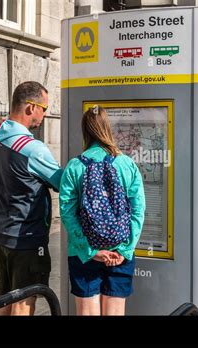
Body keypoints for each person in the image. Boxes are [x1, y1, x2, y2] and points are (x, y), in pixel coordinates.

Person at [59, 106, 146, 316]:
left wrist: (91, 251)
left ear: (85, 131)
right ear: (108, 129)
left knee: (87, 312)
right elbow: (138, 210)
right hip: (120, 252)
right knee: (115, 312)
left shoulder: (74, 167)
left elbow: (67, 213)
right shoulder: (127, 164)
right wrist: (124, 250)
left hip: (84, 254)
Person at [0, 81, 63, 316]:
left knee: (4, 301)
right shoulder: (32, 148)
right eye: (44, 108)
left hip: (1, 234)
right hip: (26, 239)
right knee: (23, 302)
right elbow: (62, 182)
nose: (44, 114)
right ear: (31, 107)